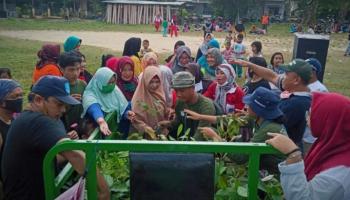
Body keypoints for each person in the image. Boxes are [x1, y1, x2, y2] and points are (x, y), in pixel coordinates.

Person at [1, 76, 109, 200]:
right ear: (38, 100)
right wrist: (104, 192)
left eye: (65, 105)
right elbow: (75, 155)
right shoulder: (39, 121)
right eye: (59, 104)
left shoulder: (32, 118)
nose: (63, 110)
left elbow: (48, 158)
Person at [266, 92, 350, 200]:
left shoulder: (335, 177)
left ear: (326, 120)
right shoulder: (333, 143)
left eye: (310, 113)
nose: (306, 118)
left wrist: (293, 154)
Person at [186, 87, 286, 173]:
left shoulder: (269, 129)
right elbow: (227, 120)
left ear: (258, 110)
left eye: (249, 104)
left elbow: (240, 158)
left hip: (274, 178)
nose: (246, 106)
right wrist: (200, 117)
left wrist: (215, 137)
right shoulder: (258, 119)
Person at [233, 58, 312, 151]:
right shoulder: (294, 88)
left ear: (296, 80)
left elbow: (273, 125)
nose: (282, 76)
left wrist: (254, 113)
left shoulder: (296, 104)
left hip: (284, 153)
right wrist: (250, 65)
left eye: (286, 74)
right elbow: (272, 76)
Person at [158, 71, 216, 141]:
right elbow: (179, 121)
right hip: (187, 139)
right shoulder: (180, 102)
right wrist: (169, 124)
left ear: (193, 88)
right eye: (176, 91)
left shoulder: (206, 106)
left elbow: (201, 133)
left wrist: (186, 148)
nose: (178, 94)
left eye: (182, 91)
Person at [82, 67, 135, 138]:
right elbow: (94, 107)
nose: (112, 85)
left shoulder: (114, 90)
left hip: (116, 131)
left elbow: (121, 105)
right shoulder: (90, 94)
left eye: (113, 82)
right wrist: (101, 121)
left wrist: (126, 113)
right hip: (101, 132)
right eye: (109, 83)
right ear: (100, 82)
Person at [131, 66, 171, 138]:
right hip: (143, 137)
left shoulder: (160, 94)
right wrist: (146, 129)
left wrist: (169, 113)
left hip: (160, 135)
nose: (154, 85)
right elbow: (136, 120)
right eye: (151, 82)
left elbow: (164, 113)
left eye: (157, 82)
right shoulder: (139, 98)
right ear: (145, 80)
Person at [58, 51, 86, 137]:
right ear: (62, 69)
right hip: (64, 130)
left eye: (78, 69)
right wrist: (67, 103)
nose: (75, 73)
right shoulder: (58, 87)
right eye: (71, 69)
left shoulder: (83, 84)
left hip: (80, 127)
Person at [0, 79, 23, 177]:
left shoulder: (15, 117)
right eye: (15, 97)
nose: (20, 99)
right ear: (2, 102)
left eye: (21, 95)